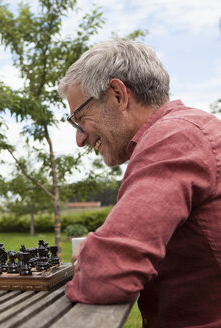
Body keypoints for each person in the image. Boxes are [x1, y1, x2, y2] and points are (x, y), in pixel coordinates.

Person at [57, 40, 221, 327]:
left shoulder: (175, 138)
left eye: (80, 119)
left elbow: (108, 274)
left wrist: (94, 256)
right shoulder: (191, 129)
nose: (80, 139)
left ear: (118, 95)